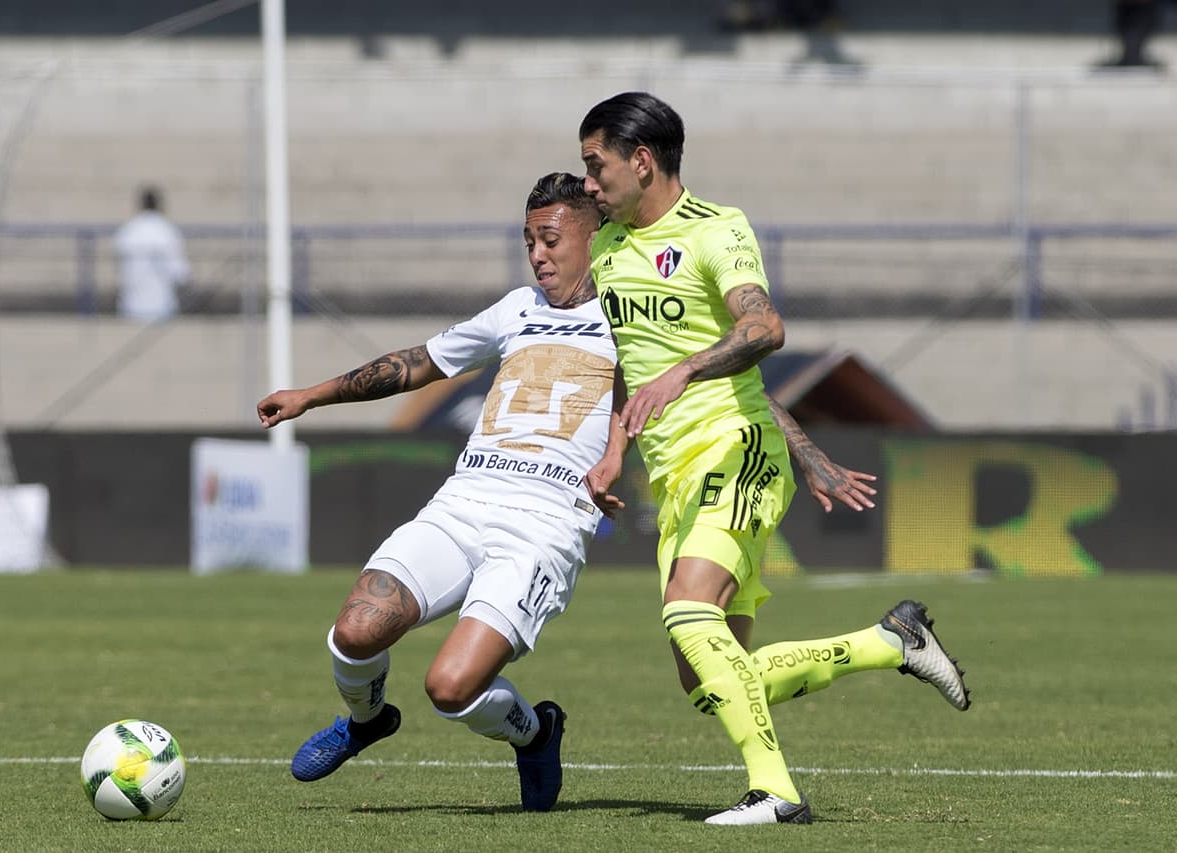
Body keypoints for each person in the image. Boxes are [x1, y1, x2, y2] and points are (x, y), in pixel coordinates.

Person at [257, 172, 877, 813]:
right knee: (356, 632)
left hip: (544, 525)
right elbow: (418, 361)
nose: (538, 254)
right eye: (528, 240)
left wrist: (806, 453)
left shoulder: (630, 312)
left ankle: (535, 731)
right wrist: (311, 395)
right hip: (464, 500)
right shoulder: (516, 309)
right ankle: (365, 723)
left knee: (451, 689)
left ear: (593, 235)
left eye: (550, 239)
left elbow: (731, 385)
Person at [578, 91, 971, 826]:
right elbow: (635, 365)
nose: (590, 185)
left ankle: (777, 792)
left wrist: (686, 373)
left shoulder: (716, 230)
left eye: (596, 167)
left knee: (688, 611)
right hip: (678, 476)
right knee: (708, 678)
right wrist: (613, 449)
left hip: (735, 448)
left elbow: (763, 327)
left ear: (642, 159)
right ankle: (890, 641)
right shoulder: (607, 250)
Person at [112, 185, 190, 322]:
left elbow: (118, 265)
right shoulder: (166, 231)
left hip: (131, 305)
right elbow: (180, 273)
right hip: (162, 306)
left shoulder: (128, 231)